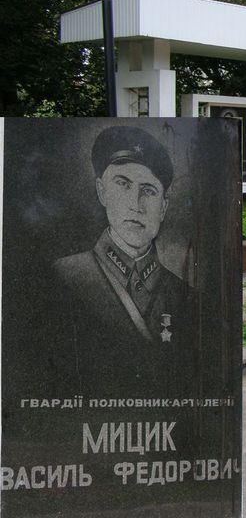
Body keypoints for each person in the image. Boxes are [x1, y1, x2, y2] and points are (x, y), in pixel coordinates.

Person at [51, 126, 196, 396]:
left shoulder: (186, 297)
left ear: (163, 208)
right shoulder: (60, 278)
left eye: (149, 190)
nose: (135, 204)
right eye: (123, 184)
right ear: (102, 191)